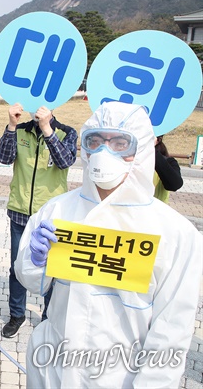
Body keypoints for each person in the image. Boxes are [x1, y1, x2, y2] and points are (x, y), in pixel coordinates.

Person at [16, 101, 202, 388]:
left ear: (140, 150)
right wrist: (36, 260)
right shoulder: (59, 210)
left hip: (120, 375)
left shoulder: (175, 233)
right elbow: (32, 282)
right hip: (53, 368)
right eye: (95, 141)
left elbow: (171, 331)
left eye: (119, 143)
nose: (104, 151)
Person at [0, 103, 77, 338]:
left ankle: (48, 317)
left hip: (51, 217)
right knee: (18, 267)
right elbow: (3, 157)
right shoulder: (20, 130)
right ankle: (16, 315)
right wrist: (11, 125)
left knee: (52, 269)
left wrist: (47, 128)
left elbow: (65, 161)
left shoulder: (67, 132)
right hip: (20, 212)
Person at [153, 135, 183, 203]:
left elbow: (174, 185)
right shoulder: (127, 160)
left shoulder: (168, 161)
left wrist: (151, 150)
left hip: (156, 211)